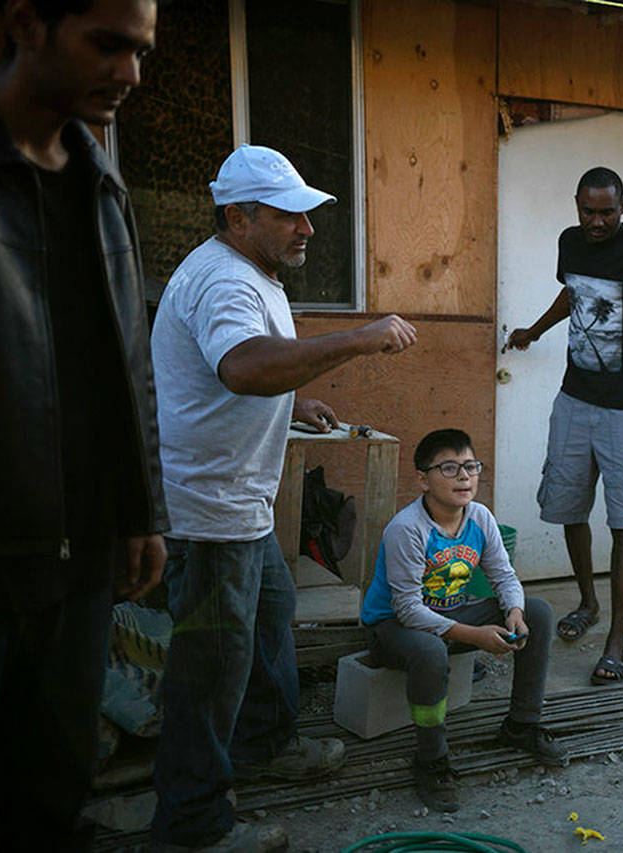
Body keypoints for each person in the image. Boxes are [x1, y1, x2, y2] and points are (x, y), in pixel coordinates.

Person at [149, 144, 417, 852]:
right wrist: (357, 340)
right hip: (210, 515)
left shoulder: (251, 273)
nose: (307, 228)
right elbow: (240, 365)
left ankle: (265, 744)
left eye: (309, 214)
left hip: (242, 505)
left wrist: (294, 400)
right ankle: (193, 824)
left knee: (270, 617)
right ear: (238, 215)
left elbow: (233, 370)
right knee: (209, 666)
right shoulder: (226, 281)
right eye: (289, 214)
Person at [0, 0, 167, 848]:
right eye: (106, 45)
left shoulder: (97, 177)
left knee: (48, 799)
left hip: (75, 564)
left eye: (141, 51)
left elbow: (128, 362)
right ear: (27, 23)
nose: (130, 74)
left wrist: (142, 510)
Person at [505, 166, 623, 685]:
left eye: (607, 211)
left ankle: (617, 639)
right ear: (575, 205)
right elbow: (572, 295)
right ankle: (587, 602)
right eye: (588, 211)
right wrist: (534, 331)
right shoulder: (570, 242)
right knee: (568, 507)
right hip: (574, 401)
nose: (597, 221)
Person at [359, 429, 566, 812]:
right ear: (423, 479)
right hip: (392, 628)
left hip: (451, 611)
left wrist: (514, 613)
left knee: (537, 611)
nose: (464, 477)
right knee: (429, 650)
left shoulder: (480, 517)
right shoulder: (407, 529)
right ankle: (432, 759)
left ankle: (521, 725)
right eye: (449, 468)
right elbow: (406, 609)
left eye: (470, 467)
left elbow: (503, 575)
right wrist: (475, 635)